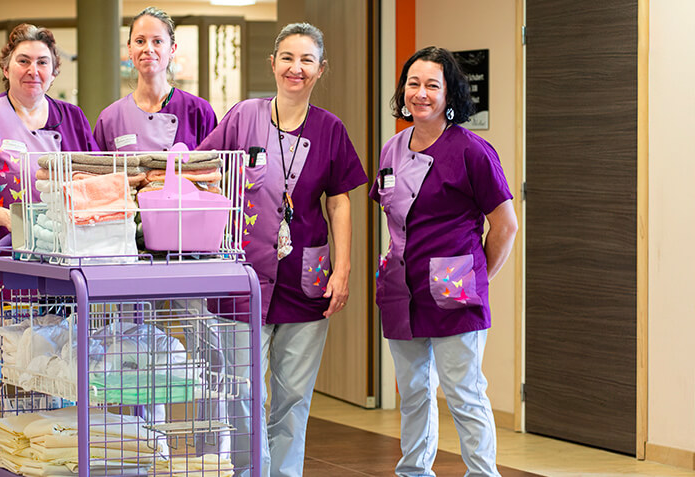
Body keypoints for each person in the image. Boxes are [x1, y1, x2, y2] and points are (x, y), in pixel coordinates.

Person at [197, 23, 368, 477]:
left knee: (292, 395)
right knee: (239, 391)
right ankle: (249, 471)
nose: (296, 68)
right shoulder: (243, 116)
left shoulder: (331, 129)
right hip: (241, 276)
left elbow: (339, 201)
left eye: (307, 60)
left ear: (320, 70)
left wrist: (343, 267)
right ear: (272, 64)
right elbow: (204, 166)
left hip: (304, 280)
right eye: (288, 58)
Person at [0, 23, 97, 476]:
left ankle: (36, 466)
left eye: (43, 62)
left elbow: (93, 184)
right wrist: (13, 220)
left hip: (57, 276)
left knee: (50, 379)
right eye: (23, 60)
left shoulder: (73, 119)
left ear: (54, 70)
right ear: (6, 66)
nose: (33, 70)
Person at [371, 46, 518, 477]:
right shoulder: (392, 148)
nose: (420, 93)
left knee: (463, 392)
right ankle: (413, 471)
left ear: (449, 93)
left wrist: (476, 277)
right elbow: (392, 215)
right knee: (414, 391)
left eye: (432, 85)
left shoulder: (473, 151)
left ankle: (481, 473)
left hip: (455, 288)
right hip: (402, 288)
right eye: (413, 84)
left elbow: (505, 226)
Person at [93, 6, 217, 151]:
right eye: (140, 41)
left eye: (157, 41)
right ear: (130, 49)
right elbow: (99, 171)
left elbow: (212, 169)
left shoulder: (199, 111)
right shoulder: (110, 118)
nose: (148, 49)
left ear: (172, 49)